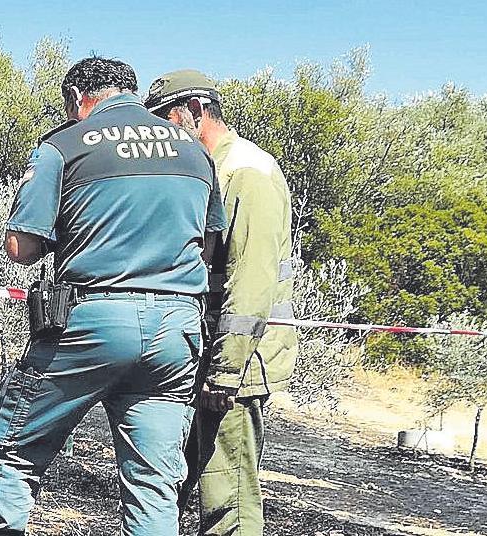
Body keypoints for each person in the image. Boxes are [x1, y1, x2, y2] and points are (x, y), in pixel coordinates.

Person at [0, 57, 227, 536]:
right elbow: (209, 249)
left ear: (75, 99)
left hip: (91, 321)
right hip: (176, 331)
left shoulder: (63, 146)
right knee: (153, 485)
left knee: (14, 453)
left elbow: (21, 248)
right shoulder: (196, 155)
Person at [144, 69, 299, 536]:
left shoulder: (246, 172)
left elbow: (250, 283)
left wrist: (226, 371)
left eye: (164, 121)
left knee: (226, 502)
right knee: (175, 488)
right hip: (204, 356)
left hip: (235, 367)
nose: (161, 137)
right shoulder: (210, 169)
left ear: (193, 111)